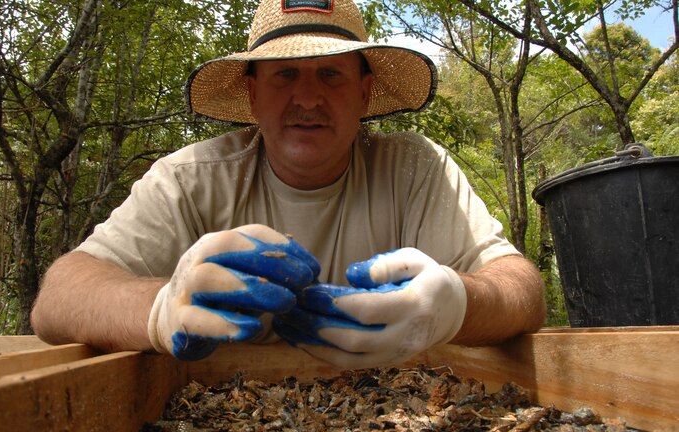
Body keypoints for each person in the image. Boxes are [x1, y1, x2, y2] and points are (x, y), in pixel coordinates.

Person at [31, 0, 546, 368]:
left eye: (330, 75)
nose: (307, 98)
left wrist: (457, 303)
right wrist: (161, 306)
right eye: (284, 75)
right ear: (252, 95)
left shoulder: (415, 167)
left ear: (364, 93)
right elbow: (58, 297)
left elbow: (522, 289)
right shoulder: (189, 180)